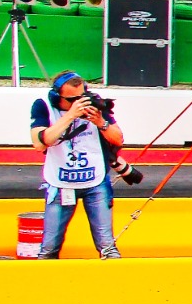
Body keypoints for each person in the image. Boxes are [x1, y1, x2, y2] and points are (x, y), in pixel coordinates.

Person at [30, 71, 126, 258]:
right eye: (71, 99)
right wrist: (70, 116)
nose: (78, 102)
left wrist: (100, 122)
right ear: (57, 97)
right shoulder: (44, 106)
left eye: (81, 97)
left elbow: (118, 139)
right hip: (60, 182)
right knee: (49, 248)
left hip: (95, 180)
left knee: (108, 247)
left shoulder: (94, 104)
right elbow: (40, 142)